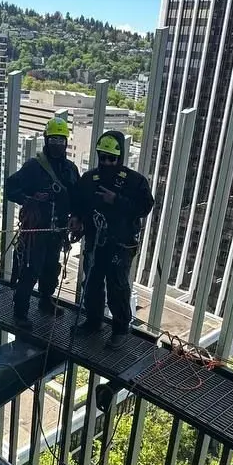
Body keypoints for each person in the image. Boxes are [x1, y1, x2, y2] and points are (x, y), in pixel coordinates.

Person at [69, 130, 154, 347]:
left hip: (120, 244)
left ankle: (120, 329)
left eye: (112, 159)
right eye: (103, 158)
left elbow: (144, 207)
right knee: (92, 283)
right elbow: (79, 203)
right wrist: (77, 219)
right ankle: (93, 321)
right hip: (95, 242)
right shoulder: (89, 179)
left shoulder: (134, 182)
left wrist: (116, 199)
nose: (107, 162)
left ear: (120, 158)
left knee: (117, 286)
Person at [5, 117, 79, 326]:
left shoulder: (70, 170)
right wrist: (30, 200)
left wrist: (76, 217)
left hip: (57, 230)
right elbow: (11, 188)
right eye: (54, 140)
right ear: (47, 140)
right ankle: (20, 313)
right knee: (30, 270)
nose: (58, 144)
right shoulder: (34, 167)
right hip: (36, 231)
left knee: (50, 268)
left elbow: (77, 198)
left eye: (61, 140)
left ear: (66, 142)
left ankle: (45, 301)